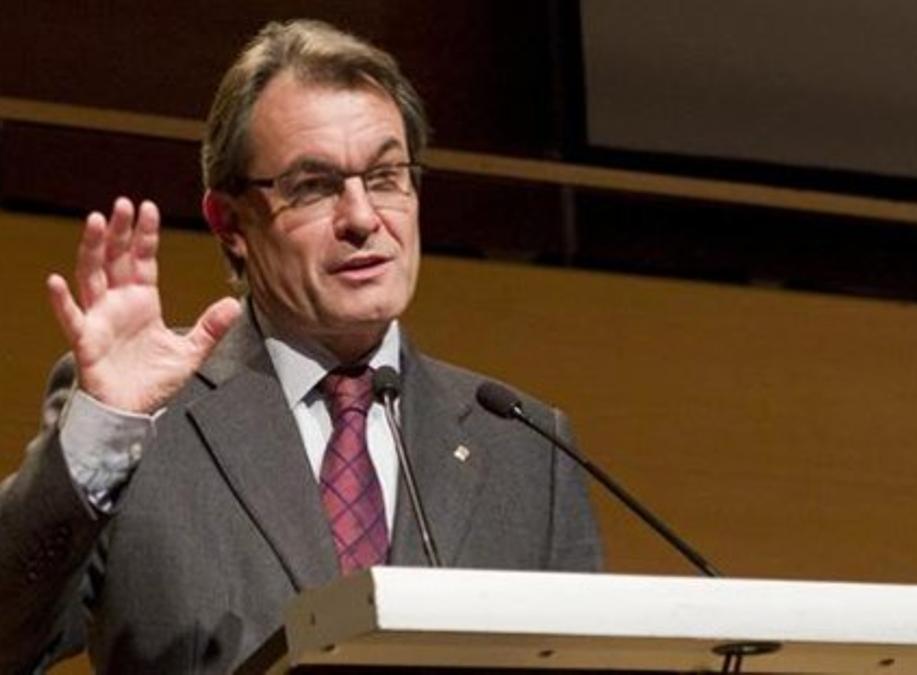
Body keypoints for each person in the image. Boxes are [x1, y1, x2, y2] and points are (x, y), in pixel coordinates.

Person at [0, 19, 601, 674]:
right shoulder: (144, 425)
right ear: (230, 224)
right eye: (313, 185)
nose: (363, 218)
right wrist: (104, 431)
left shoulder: (528, 449)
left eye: (385, 175)